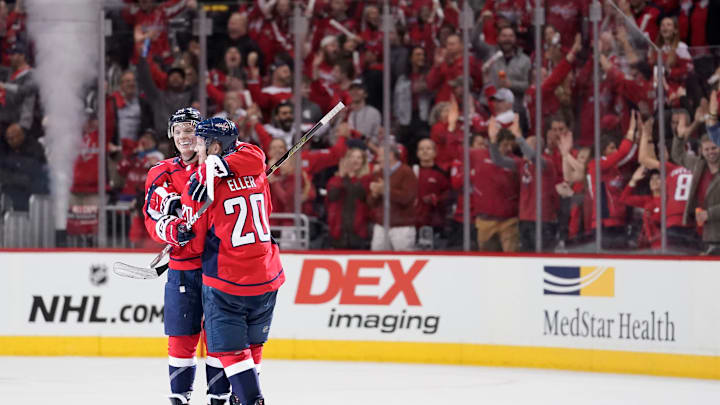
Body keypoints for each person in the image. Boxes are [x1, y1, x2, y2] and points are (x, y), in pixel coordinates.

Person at [168, 117, 284, 405]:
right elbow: (256, 159)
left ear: (216, 145)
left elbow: (194, 240)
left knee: (232, 352)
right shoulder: (256, 169)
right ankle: (241, 398)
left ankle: (251, 399)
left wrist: (178, 235)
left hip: (228, 279)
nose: (196, 146)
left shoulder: (199, 183)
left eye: (201, 142)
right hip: (268, 275)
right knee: (253, 344)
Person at [142, 108, 231, 405]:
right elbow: (152, 217)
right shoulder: (161, 171)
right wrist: (172, 230)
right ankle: (179, 397)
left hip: (218, 265)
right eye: (178, 131)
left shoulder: (221, 167)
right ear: (171, 135)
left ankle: (219, 396)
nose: (184, 136)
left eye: (191, 130)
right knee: (181, 336)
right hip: (183, 267)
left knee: (218, 337)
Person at [367, 144, 418, 251]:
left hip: (402, 227)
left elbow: (407, 198)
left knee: (404, 262)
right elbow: (371, 203)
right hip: (381, 226)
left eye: (380, 155)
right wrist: (374, 194)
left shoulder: (406, 172)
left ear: (390, 155)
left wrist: (385, 191)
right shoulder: (378, 174)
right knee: (377, 261)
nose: (377, 159)